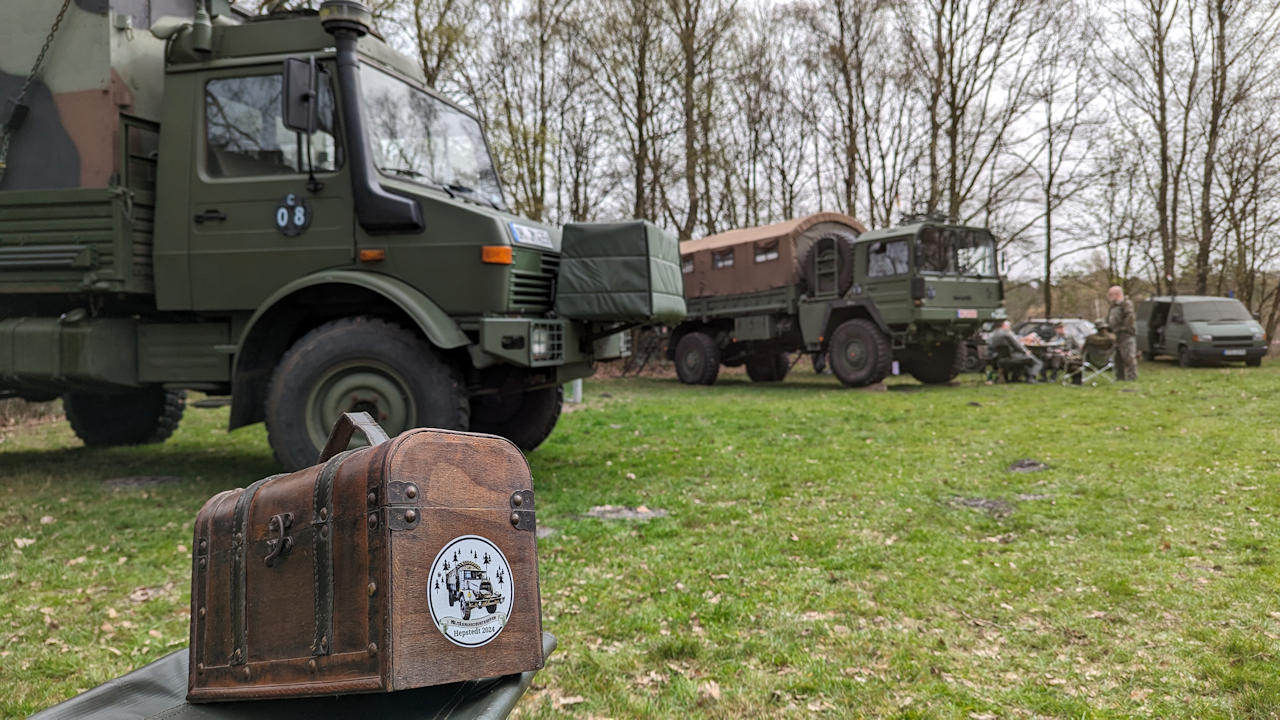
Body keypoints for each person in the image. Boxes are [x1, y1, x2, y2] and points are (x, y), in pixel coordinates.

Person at [1107, 285, 1138, 380]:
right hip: (1115, 335)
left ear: (1117, 294)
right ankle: (1119, 377)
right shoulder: (1113, 306)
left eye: (1110, 295)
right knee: (1118, 357)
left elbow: (1130, 317)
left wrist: (1123, 328)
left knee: (1128, 356)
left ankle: (1132, 376)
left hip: (1125, 334)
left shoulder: (1126, 304)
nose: (1109, 297)